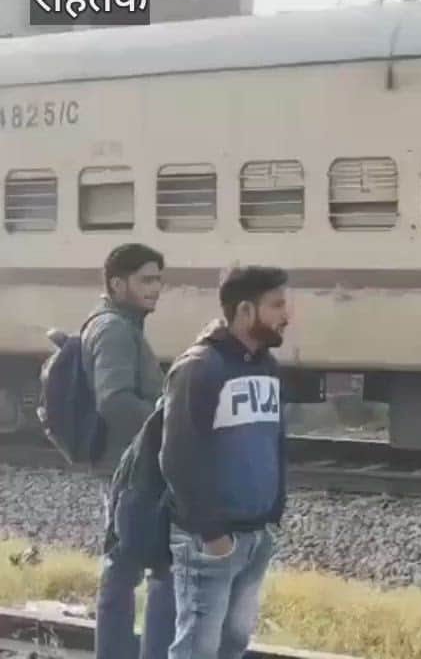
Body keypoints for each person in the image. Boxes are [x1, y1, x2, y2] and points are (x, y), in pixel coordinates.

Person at [161, 265, 290, 659]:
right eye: (278, 305)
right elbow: (178, 457)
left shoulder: (268, 367)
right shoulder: (201, 367)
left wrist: (272, 513)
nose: (288, 315)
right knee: (197, 648)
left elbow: (274, 442)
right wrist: (213, 535)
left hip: (254, 534)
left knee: (233, 643)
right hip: (210, 540)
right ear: (246, 311)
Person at [84, 243, 175, 659]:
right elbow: (114, 399)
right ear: (117, 284)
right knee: (126, 564)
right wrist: (166, 428)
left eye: (158, 279)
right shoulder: (115, 329)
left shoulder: (123, 324)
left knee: (130, 562)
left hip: (129, 463)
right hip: (129, 467)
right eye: (146, 280)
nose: (155, 288)